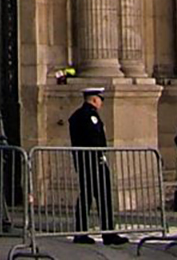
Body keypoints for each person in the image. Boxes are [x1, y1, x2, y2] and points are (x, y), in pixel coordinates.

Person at [69, 86, 126, 245]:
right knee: (102, 198)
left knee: (87, 197)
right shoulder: (89, 116)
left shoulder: (77, 116)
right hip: (94, 162)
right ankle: (107, 233)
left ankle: (82, 232)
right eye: (100, 99)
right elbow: (94, 139)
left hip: (85, 162)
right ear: (94, 99)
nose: (101, 103)